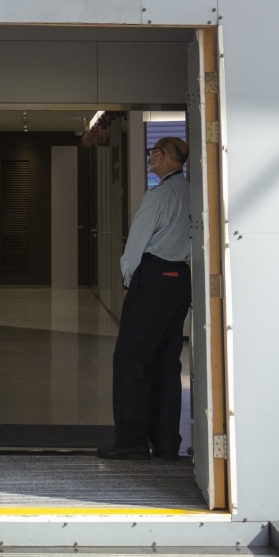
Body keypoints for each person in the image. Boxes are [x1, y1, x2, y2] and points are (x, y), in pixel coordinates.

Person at [101, 135, 193, 461]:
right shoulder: (193, 193)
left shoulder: (159, 196)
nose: (151, 159)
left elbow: (136, 245)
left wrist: (129, 279)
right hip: (181, 280)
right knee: (168, 362)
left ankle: (130, 441)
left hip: (152, 279)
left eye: (153, 154)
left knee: (131, 358)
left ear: (166, 156)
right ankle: (167, 443)